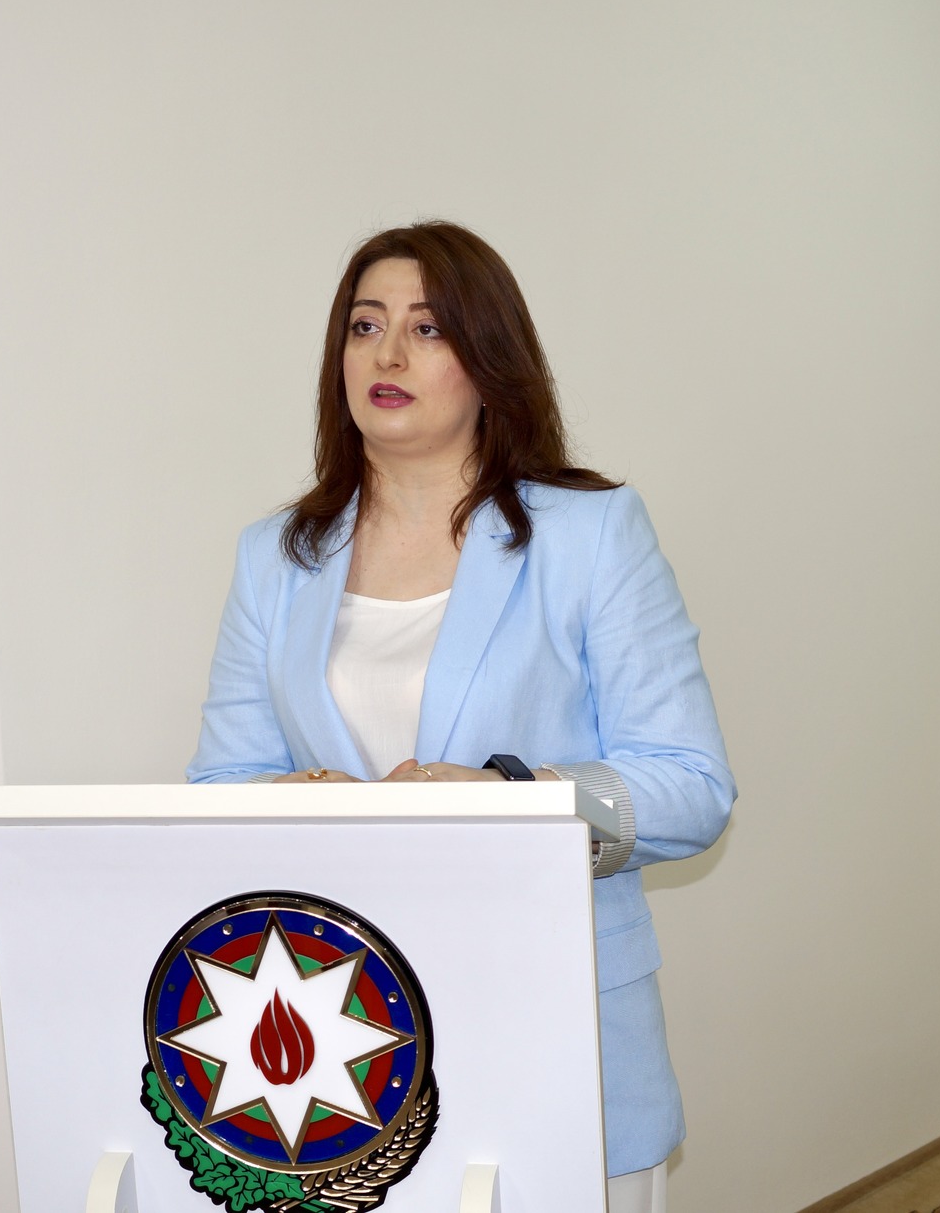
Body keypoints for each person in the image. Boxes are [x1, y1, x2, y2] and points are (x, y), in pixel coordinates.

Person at [186, 220, 735, 1213]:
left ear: (489, 362)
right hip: (344, 1052)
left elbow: (692, 788)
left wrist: (514, 795)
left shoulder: (589, 534)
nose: (387, 355)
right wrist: (291, 800)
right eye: (364, 326)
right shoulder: (273, 556)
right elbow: (219, 786)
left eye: (427, 328)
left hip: (559, 1032)